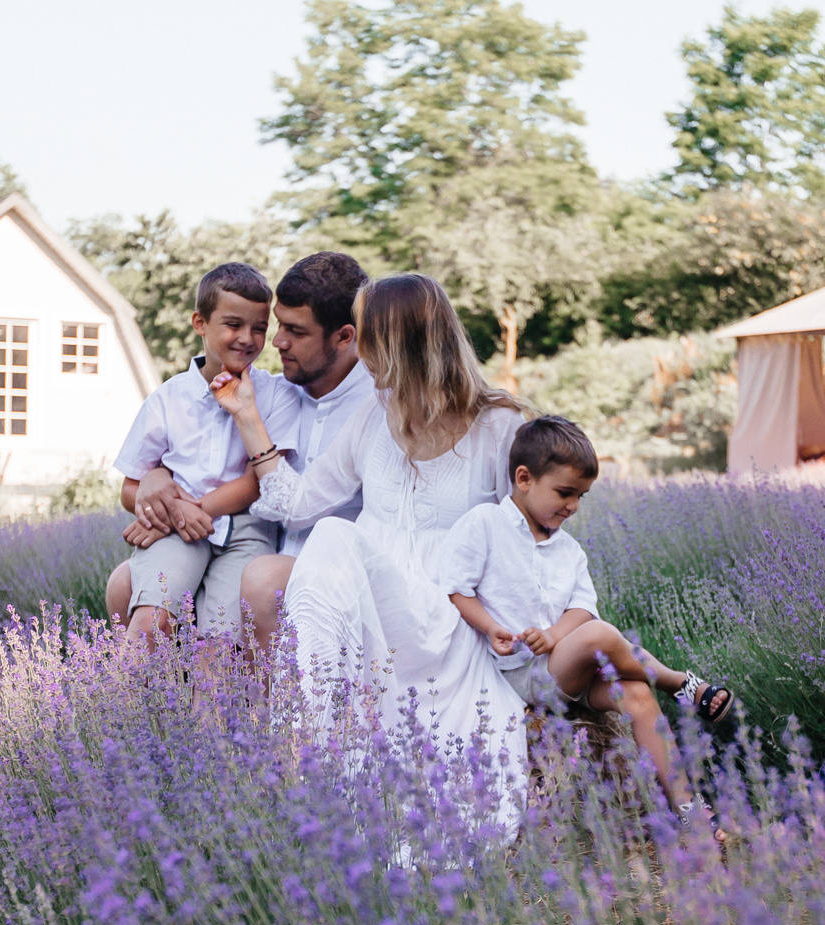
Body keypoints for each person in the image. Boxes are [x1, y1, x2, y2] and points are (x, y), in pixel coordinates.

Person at [217, 273, 530, 829]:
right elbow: (298, 503)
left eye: (366, 336)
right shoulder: (374, 415)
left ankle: (302, 740)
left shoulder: (500, 425)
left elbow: (527, 540)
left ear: (397, 343)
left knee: (338, 538)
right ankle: (307, 743)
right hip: (376, 612)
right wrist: (247, 416)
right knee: (335, 535)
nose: (359, 350)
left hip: (451, 616)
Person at [437, 415, 734, 817]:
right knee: (598, 635)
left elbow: (581, 606)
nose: (574, 506)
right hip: (524, 677)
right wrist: (491, 628)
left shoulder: (569, 550)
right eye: (565, 492)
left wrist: (556, 634)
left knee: (637, 695)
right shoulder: (485, 525)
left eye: (582, 496)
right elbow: (456, 588)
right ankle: (680, 683)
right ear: (524, 479)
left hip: (571, 674)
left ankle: (687, 809)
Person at [105, 252, 373, 626]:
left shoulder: (355, 406)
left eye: (289, 331)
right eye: (277, 327)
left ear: (344, 336)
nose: (270, 342)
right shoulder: (179, 398)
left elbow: (267, 489)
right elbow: (142, 477)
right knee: (132, 596)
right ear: (200, 323)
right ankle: (133, 685)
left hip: (271, 548)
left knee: (236, 618)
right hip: (200, 537)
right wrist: (156, 481)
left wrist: (189, 509)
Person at [110, 263, 304, 640]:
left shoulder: (277, 395)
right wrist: (169, 508)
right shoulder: (167, 399)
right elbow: (130, 489)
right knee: (150, 624)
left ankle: (212, 699)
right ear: (200, 323)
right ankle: (122, 699)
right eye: (233, 325)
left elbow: (257, 482)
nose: (247, 338)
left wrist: (190, 511)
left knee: (221, 644)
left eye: (259, 328)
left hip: (245, 530)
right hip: (175, 531)